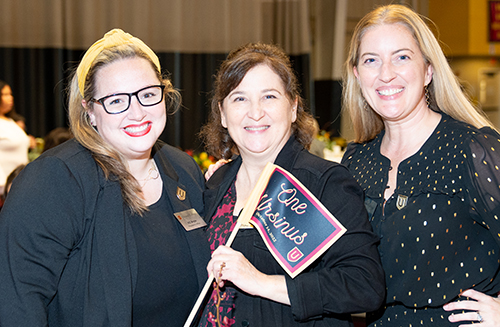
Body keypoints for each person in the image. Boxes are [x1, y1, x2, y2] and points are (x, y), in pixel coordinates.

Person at [0, 29, 210, 326]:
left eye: (148, 95)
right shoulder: (55, 180)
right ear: (90, 111)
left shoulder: (183, 170)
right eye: (116, 101)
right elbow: (15, 303)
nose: (137, 112)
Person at [197, 42, 385, 327]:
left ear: (293, 107)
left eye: (269, 96)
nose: (255, 112)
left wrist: (259, 282)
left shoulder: (324, 183)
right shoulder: (217, 184)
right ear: (223, 114)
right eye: (239, 99)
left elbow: (364, 286)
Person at [340, 4, 500, 326]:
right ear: (357, 75)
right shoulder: (356, 161)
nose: (386, 74)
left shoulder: (473, 149)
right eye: (371, 60)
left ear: (428, 70)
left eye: (402, 57)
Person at [0, 80, 30, 196]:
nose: (10, 98)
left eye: (10, 94)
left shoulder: (11, 122)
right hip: (4, 187)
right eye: (5, 95)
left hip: (20, 181)